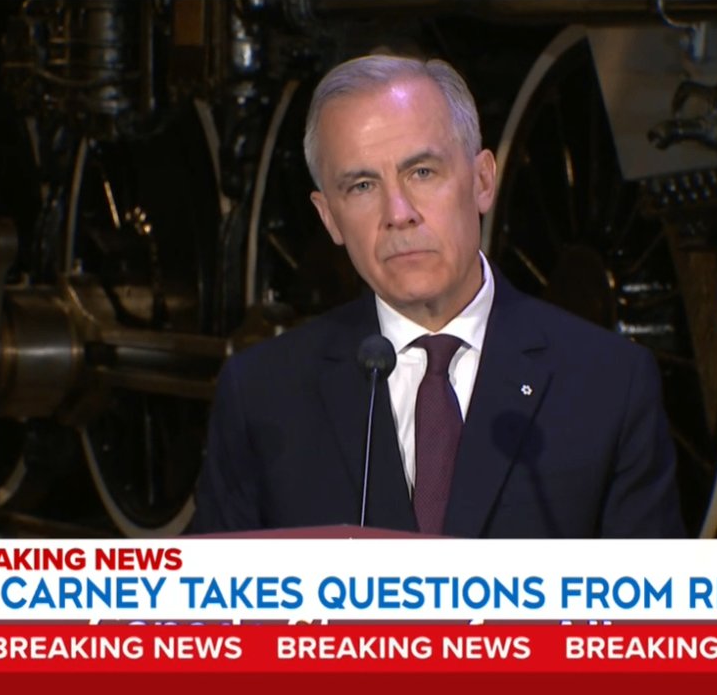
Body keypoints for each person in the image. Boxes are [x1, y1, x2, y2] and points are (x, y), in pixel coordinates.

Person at [190, 54, 684, 538]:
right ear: (329, 218)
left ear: (483, 181)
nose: (398, 213)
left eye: (422, 172)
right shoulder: (262, 394)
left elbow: (650, 592)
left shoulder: (610, 385)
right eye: (362, 186)